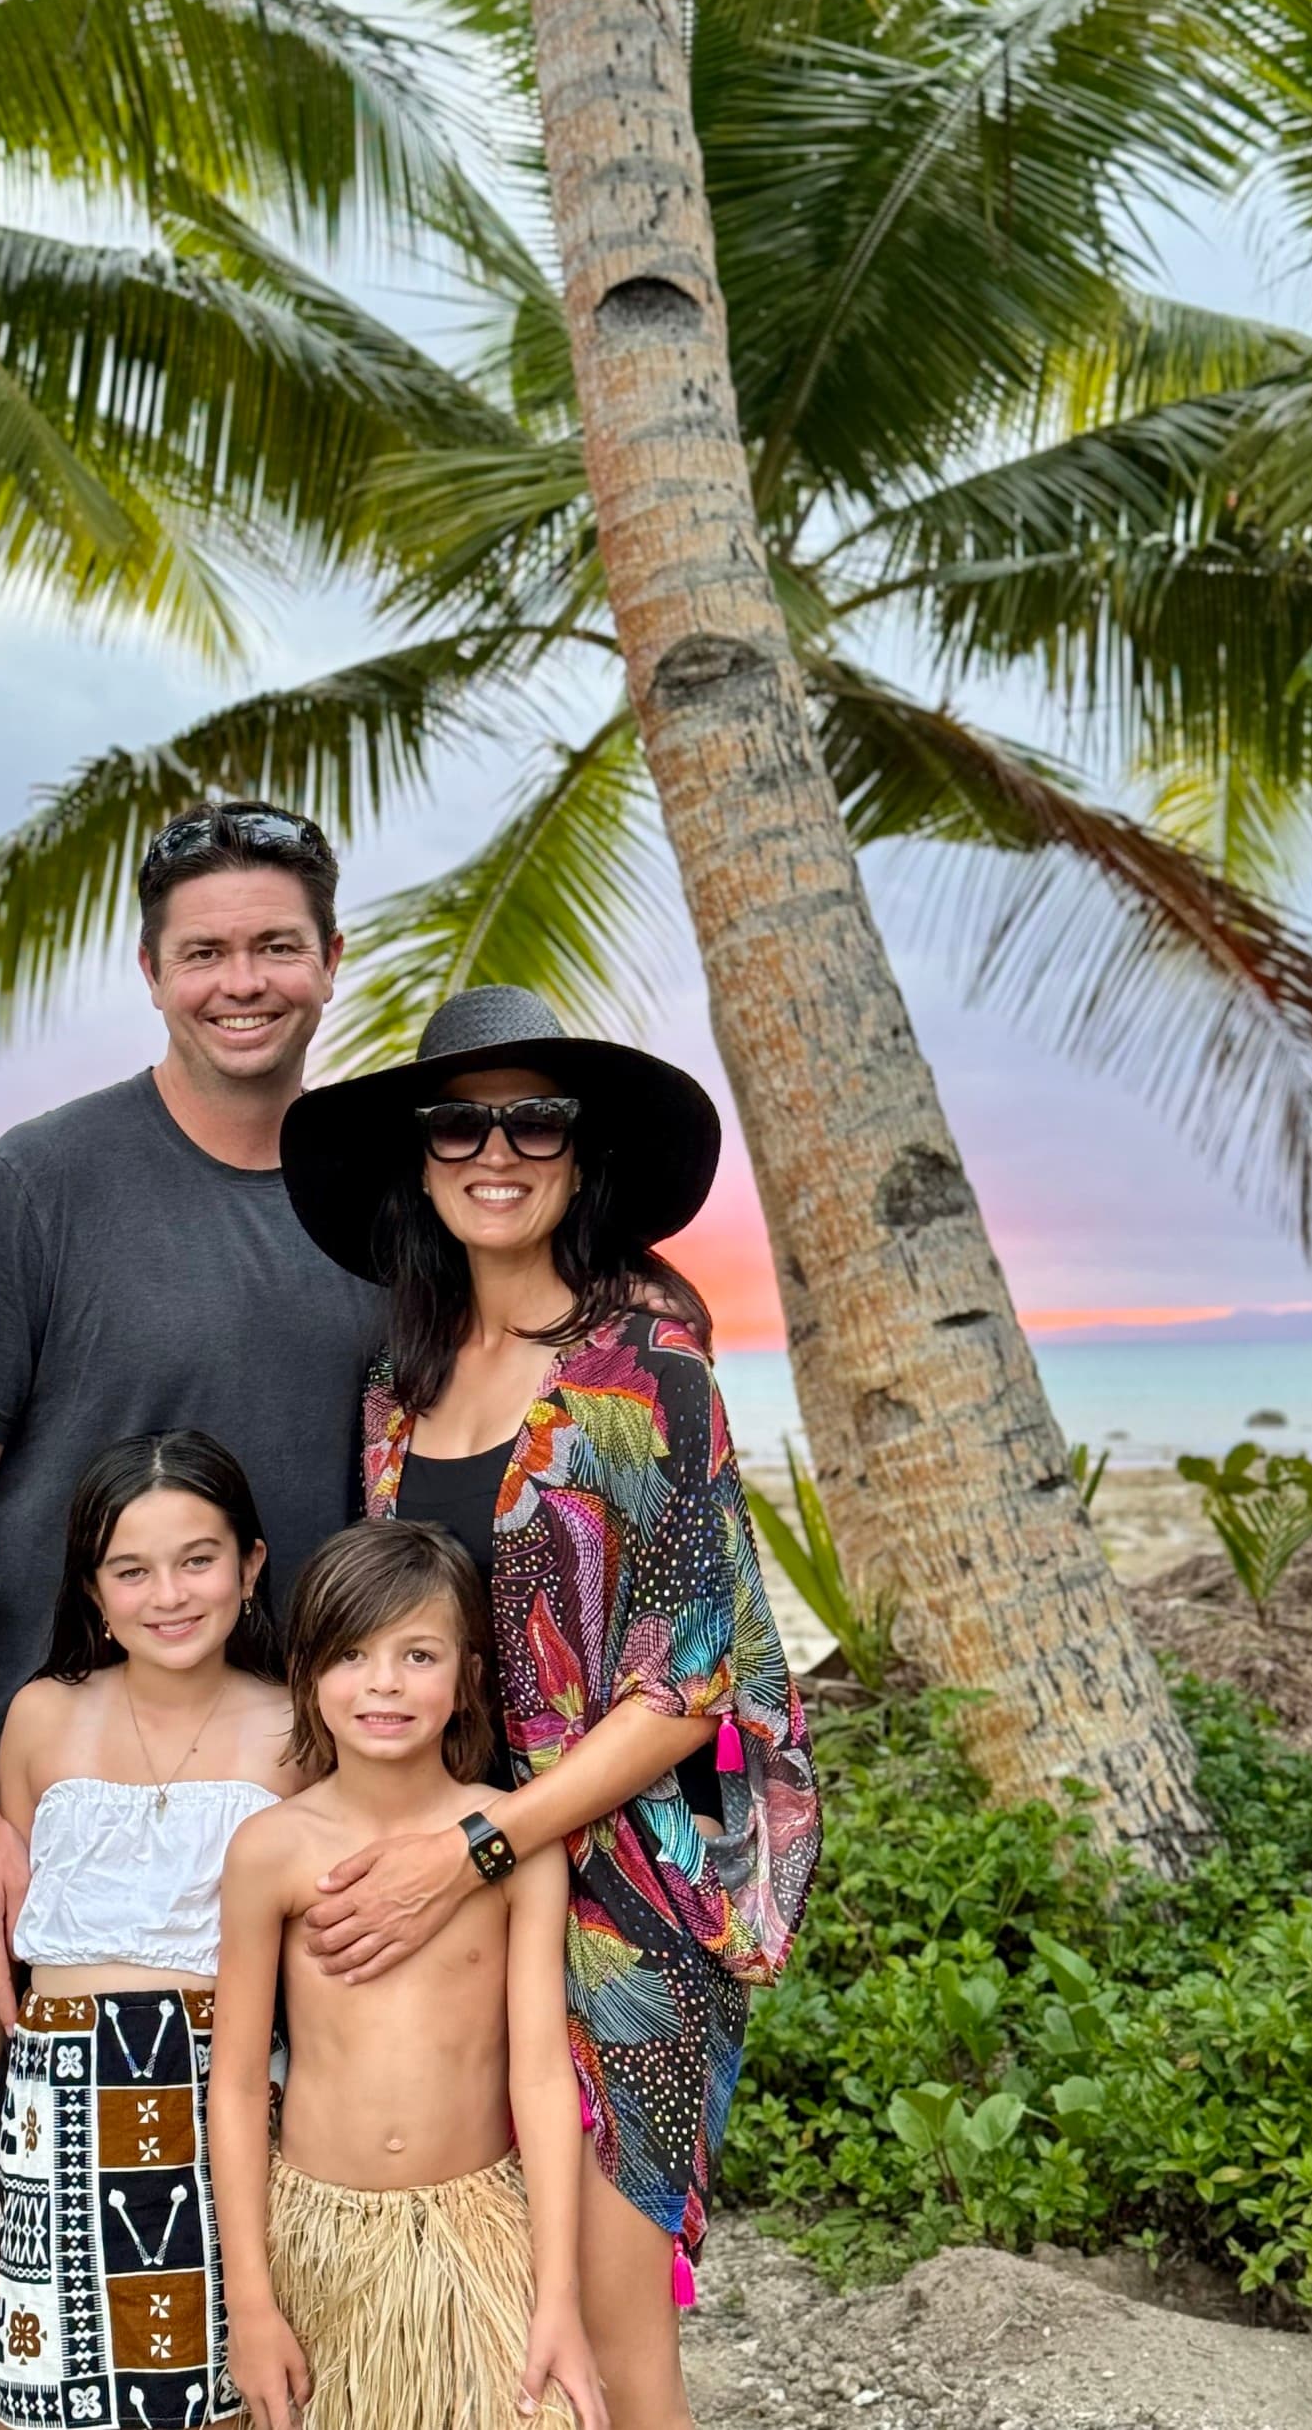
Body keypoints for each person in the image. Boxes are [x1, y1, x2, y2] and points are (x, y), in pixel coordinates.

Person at [277, 985, 822, 2430]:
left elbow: (687, 1681)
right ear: (420, 1156)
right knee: (498, 2302)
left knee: (618, 2325)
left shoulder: (648, 1371)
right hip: (455, 1877)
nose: (495, 1147)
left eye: (535, 1118)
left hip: (621, 1893)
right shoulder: (397, 1391)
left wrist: (479, 1845)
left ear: (581, 1156)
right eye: (460, 1120)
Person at [0, 802, 382, 2064]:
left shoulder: (387, 1201)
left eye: (276, 946)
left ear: (330, 960)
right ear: (151, 973)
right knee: (69, 2216)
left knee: (304, 2223)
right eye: (204, 954)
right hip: (79, 1822)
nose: (242, 983)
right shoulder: (39, 1183)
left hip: (313, 1802)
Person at [0, 1429, 304, 2428]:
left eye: (197, 1560)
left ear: (249, 1565)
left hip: (222, 2111)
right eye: (130, 1571)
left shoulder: (295, 1733)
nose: (169, 1596)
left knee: (233, 2402)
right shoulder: (42, 1720)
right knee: (56, 2409)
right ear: (93, 1590)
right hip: (50, 2112)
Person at [209, 1517, 604, 2430]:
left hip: (477, 2224)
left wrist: (557, 2294)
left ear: (467, 1681)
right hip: (319, 2233)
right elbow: (233, 2085)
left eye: (417, 1654)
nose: (382, 1682)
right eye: (351, 1654)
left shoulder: (514, 1839)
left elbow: (541, 2073)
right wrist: (251, 2305)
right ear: (307, 1676)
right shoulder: (271, 1850)